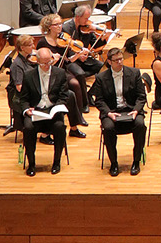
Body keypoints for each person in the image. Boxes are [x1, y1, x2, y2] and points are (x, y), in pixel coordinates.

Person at [9, 41, 80, 176]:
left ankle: (57, 162)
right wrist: (26, 110)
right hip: (36, 111)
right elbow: (22, 98)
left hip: (52, 111)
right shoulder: (29, 75)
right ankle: (32, 164)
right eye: (43, 63)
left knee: (59, 127)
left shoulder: (59, 73)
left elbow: (64, 95)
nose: (46, 66)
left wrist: (58, 107)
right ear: (37, 61)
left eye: (49, 62)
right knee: (28, 128)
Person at [94, 45, 153, 175]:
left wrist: (136, 110)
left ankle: (136, 161)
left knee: (139, 124)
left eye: (121, 59)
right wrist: (108, 113)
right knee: (108, 128)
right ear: (109, 62)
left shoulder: (134, 73)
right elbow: (99, 100)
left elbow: (141, 97)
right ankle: (114, 163)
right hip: (111, 112)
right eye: (116, 60)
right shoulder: (101, 78)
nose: (120, 62)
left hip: (131, 110)